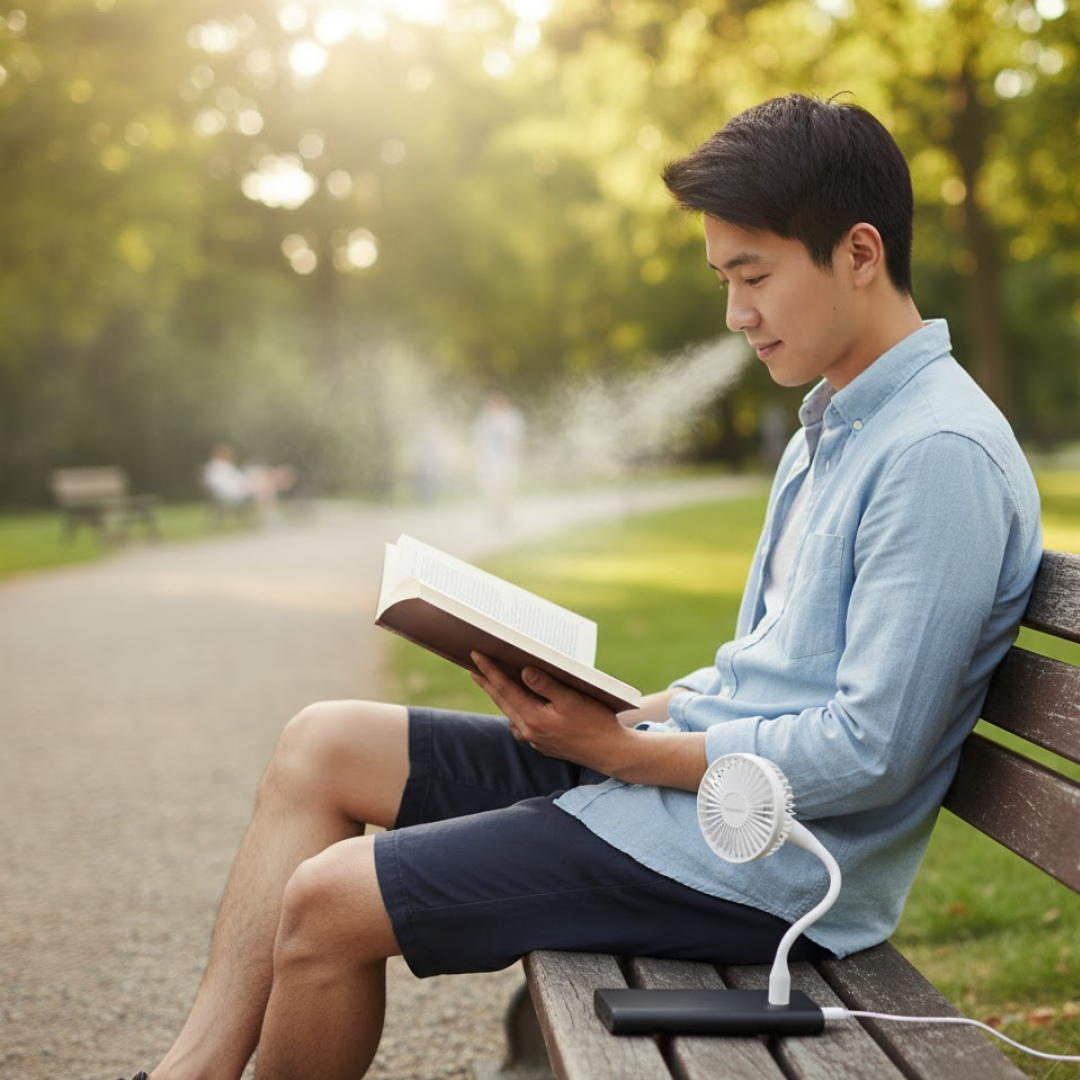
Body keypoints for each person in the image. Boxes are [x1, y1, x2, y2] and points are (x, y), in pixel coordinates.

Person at [113, 94, 1042, 1080]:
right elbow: (770, 669)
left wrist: (629, 757)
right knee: (321, 745)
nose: (735, 315)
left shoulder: (935, 454)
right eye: (725, 280)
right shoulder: (834, 424)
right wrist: (629, 713)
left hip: (763, 869)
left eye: (754, 276)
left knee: (325, 904)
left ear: (859, 253)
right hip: (690, 797)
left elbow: (872, 751)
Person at [472, 389, 526, 527]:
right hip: (488, 462)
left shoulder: (512, 418)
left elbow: (518, 440)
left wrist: (518, 458)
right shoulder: (484, 419)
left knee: (505, 490)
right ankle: (496, 515)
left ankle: (504, 516)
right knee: (491, 490)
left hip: (507, 461)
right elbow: (478, 441)